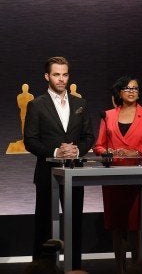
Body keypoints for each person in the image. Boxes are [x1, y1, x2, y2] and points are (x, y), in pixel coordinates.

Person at [24, 56, 95, 271]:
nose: (61, 79)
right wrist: (56, 151)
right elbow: (30, 141)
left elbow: (89, 136)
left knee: (74, 226)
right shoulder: (36, 104)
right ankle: (42, 270)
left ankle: (74, 268)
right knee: (44, 227)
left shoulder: (80, 103)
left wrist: (77, 150)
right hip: (47, 174)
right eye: (56, 74)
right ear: (47, 76)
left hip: (75, 173)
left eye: (64, 74)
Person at [93, 76, 142, 274]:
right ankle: (120, 270)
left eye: (136, 88)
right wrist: (107, 152)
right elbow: (99, 145)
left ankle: (137, 269)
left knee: (137, 225)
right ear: (119, 92)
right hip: (114, 177)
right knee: (118, 226)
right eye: (127, 88)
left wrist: (137, 152)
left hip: (139, 176)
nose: (132, 91)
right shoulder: (108, 116)